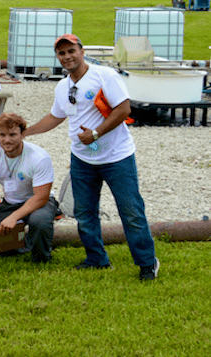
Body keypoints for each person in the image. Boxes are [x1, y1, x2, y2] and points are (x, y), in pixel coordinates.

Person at [24, 34, 158, 280]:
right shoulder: (63, 86)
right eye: (62, 54)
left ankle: (147, 263)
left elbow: (124, 109)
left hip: (117, 157)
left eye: (71, 51)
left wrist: (96, 134)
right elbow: (56, 116)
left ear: (82, 51)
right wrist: (25, 132)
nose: (67, 57)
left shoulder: (104, 75)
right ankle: (96, 258)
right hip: (82, 159)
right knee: (85, 213)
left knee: (131, 211)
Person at [0, 113, 59, 263]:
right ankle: (28, 242)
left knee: (39, 222)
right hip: (10, 203)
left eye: (12, 134)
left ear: (23, 134)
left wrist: (14, 217)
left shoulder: (39, 157)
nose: (7, 140)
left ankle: (42, 259)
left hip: (39, 202)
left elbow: (41, 197)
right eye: (2, 135)